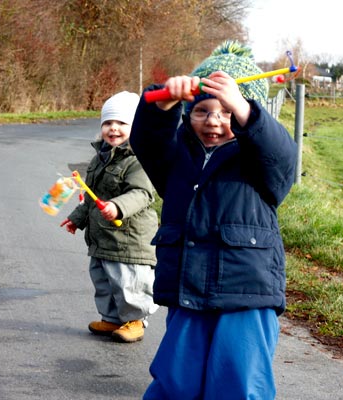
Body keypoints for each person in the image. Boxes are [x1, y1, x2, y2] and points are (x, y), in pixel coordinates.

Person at [129, 41, 298, 399]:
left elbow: (281, 157)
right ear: (188, 115)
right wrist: (161, 106)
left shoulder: (257, 159)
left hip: (246, 293)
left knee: (238, 383)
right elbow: (147, 141)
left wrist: (243, 106)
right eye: (202, 111)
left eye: (227, 112)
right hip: (187, 289)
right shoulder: (177, 156)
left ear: (246, 114)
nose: (214, 121)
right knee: (176, 382)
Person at [60, 91, 159, 343]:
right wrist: (77, 219)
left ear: (135, 128)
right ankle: (112, 318)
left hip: (129, 239)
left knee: (129, 282)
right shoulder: (99, 158)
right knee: (104, 279)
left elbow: (142, 193)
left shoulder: (140, 159)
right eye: (107, 123)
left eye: (121, 123)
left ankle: (135, 320)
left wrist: (117, 206)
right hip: (102, 238)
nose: (113, 128)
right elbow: (93, 195)